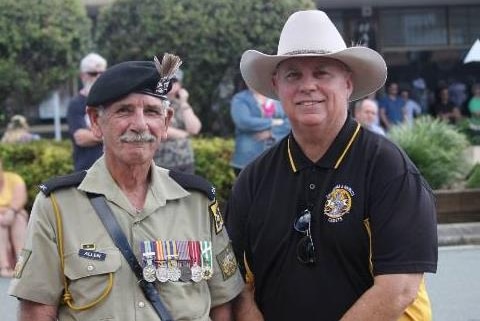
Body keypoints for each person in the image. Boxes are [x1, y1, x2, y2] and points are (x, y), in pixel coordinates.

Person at [225, 10, 437, 321]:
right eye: (293, 75)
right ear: (276, 85)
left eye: (322, 73)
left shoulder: (388, 168)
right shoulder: (253, 178)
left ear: (348, 84)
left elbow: (399, 288)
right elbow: (235, 284)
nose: (307, 85)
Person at [9, 53, 243, 320]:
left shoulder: (198, 201)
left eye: (152, 112)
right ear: (96, 122)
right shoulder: (57, 206)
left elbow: (222, 303)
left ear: (166, 122)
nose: (140, 125)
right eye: (124, 111)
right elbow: (37, 310)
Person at [230, 87, 290, 175]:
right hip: (247, 161)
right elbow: (243, 122)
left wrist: (271, 133)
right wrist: (274, 122)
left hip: (277, 159)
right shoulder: (240, 99)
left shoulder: (279, 98)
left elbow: (292, 122)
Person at [153, 69, 202, 173]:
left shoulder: (181, 104)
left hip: (185, 161)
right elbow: (160, 129)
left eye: (174, 81)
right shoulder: (153, 102)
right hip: (160, 163)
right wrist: (185, 134)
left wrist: (184, 102)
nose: (170, 84)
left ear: (180, 85)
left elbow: (194, 129)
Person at [67, 52, 107, 172]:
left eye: (102, 73)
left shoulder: (111, 101)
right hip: (86, 170)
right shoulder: (76, 103)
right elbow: (81, 138)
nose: (98, 77)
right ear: (82, 76)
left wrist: (95, 135)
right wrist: (112, 135)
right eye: (93, 73)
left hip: (113, 171)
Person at [0, 158, 28, 278]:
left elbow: (20, 199)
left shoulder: (14, 179)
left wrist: (10, 211)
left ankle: (21, 264)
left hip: (14, 215)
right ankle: (4, 266)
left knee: (19, 219)